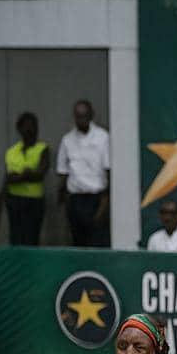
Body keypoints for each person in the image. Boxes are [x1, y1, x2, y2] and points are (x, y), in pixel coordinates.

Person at [58, 99, 111, 248]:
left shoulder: (102, 137)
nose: (81, 120)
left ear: (91, 115)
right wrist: (67, 203)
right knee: (78, 244)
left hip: (96, 199)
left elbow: (109, 170)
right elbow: (63, 173)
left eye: (84, 116)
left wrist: (104, 204)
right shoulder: (67, 140)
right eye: (78, 116)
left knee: (97, 243)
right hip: (75, 199)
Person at [0, 112, 49, 247]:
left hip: (34, 202)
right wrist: (26, 174)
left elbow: (40, 174)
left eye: (33, 127)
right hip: (14, 201)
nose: (31, 131)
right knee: (16, 239)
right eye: (27, 128)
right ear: (19, 130)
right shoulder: (11, 152)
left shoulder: (42, 149)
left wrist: (19, 176)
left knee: (32, 239)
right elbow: (8, 178)